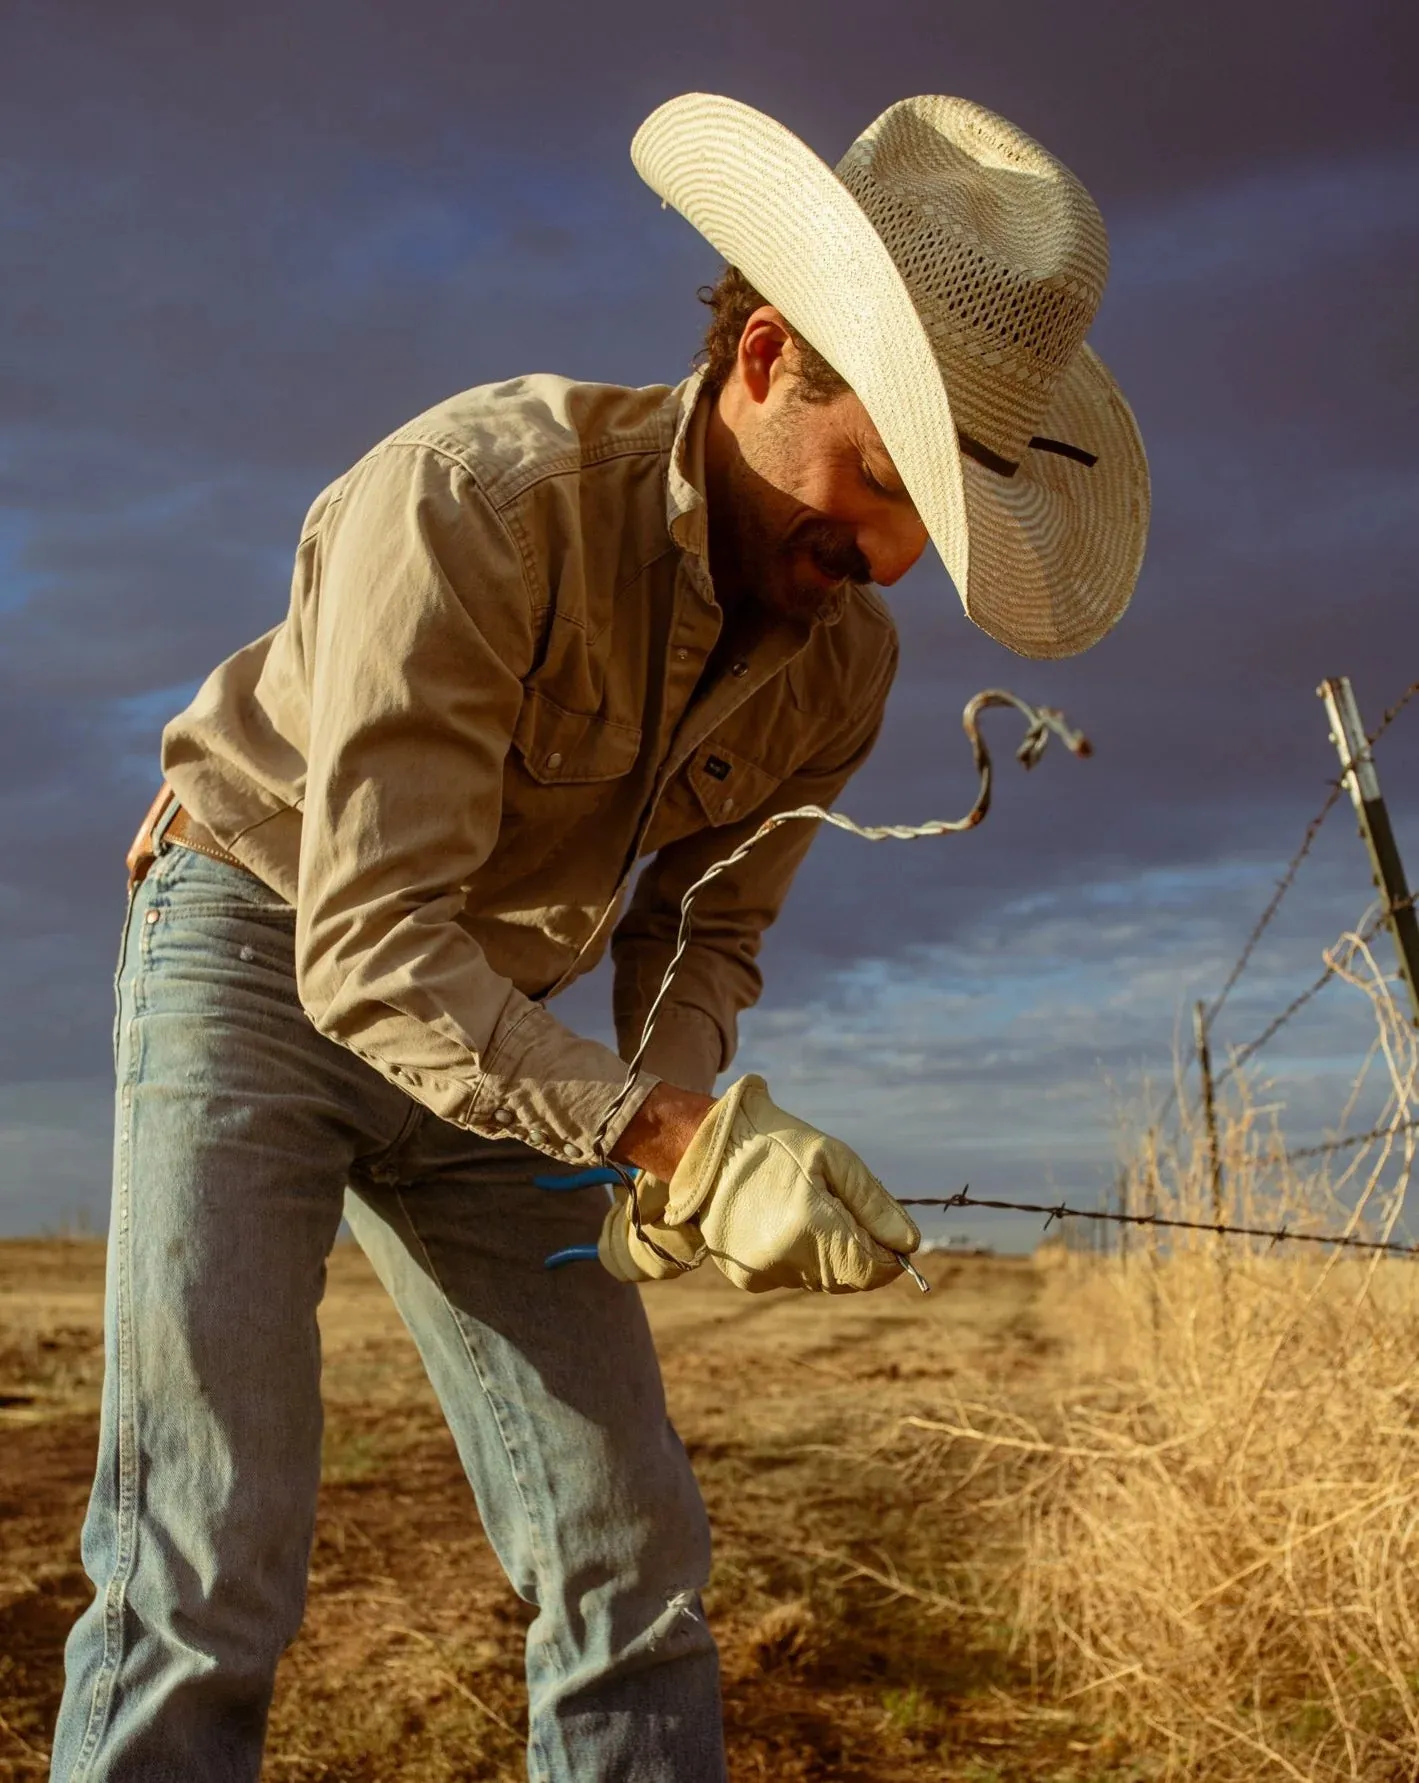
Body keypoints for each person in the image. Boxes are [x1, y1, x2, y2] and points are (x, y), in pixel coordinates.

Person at [50, 92, 1148, 1782]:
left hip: (508, 1031)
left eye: (935, 512)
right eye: (880, 478)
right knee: (207, 1551)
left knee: (627, 1553)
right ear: (769, 357)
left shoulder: (838, 658)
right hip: (262, 951)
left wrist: (677, 1147)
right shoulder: (475, 501)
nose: (891, 556)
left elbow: (704, 936)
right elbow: (366, 946)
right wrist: (661, 1134)